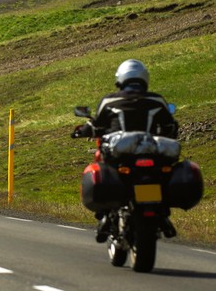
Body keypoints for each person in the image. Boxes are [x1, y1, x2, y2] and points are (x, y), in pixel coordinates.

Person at [76, 59, 178, 242]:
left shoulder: (110, 100)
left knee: (103, 165)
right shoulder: (157, 100)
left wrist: (81, 131)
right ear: (144, 79)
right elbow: (170, 126)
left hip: (122, 156)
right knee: (162, 173)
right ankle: (162, 214)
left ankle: (105, 215)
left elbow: (96, 124)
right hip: (152, 154)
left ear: (120, 79)